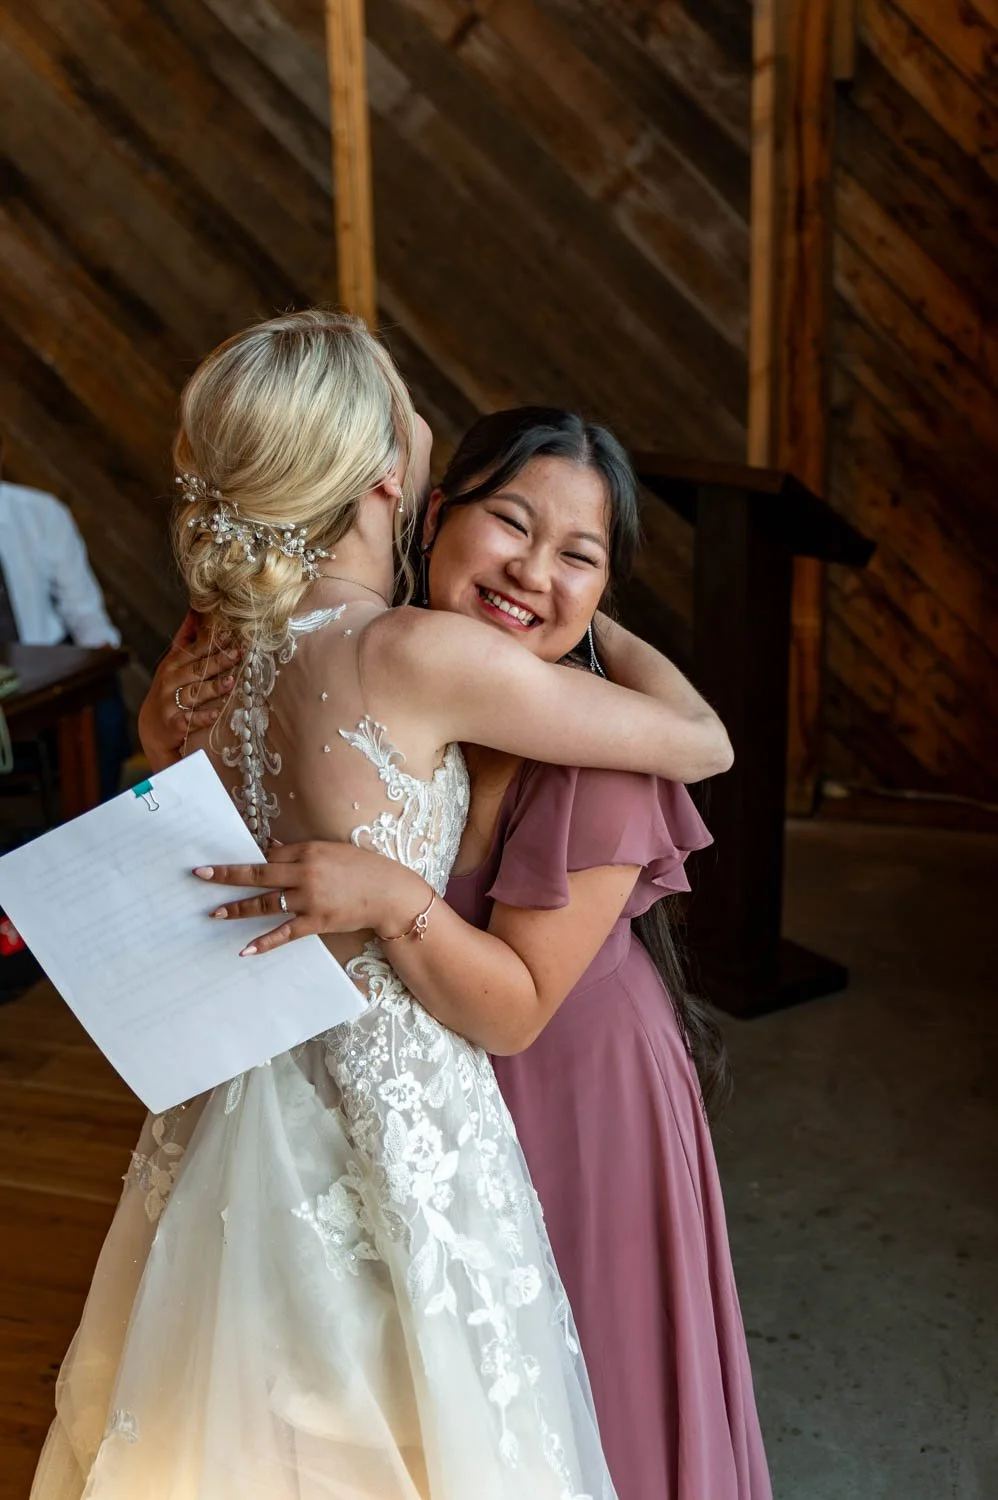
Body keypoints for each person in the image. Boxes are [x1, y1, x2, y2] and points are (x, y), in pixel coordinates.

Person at [32, 315, 734, 1500]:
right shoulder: (409, 652)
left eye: (580, 551)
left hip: (244, 1094)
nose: (531, 566)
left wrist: (156, 749)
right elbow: (703, 741)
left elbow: (187, 852)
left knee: (242, 1417)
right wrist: (595, 610)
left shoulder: (220, 642)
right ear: (396, 480)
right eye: (508, 520)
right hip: (405, 1098)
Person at [0, 450, 129, 799]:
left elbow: (83, 610)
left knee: (103, 705)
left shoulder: (42, 514)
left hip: (44, 667)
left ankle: (95, 819)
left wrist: (100, 660)